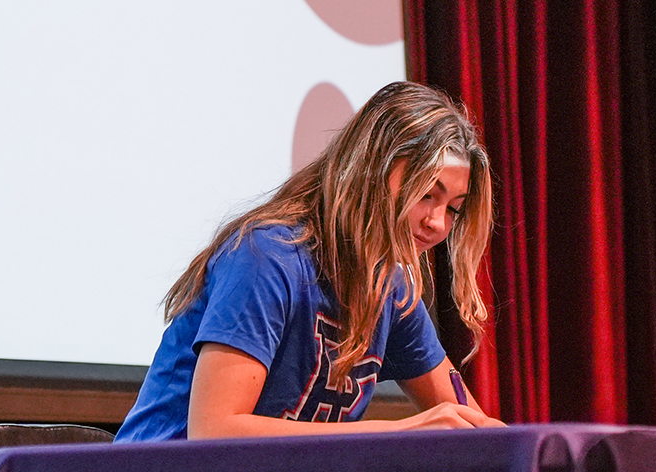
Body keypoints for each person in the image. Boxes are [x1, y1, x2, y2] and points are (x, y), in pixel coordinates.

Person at [115, 81, 503, 442]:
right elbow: (214, 430)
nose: (437, 224)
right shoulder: (267, 257)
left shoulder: (390, 287)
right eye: (426, 195)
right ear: (370, 173)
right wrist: (398, 434)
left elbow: (469, 428)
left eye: (454, 208)